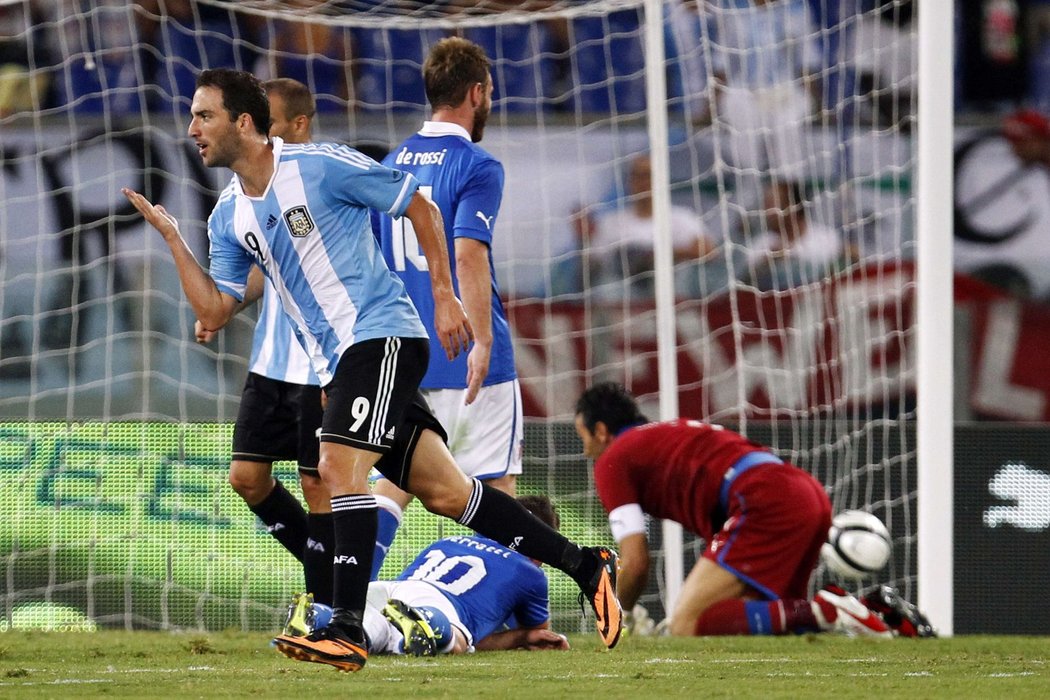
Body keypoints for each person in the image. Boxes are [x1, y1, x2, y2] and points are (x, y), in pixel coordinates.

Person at [122, 67, 621, 673]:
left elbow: (417, 203)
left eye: (204, 115)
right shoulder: (227, 215)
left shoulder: (318, 165)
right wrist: (174, 240)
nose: (192, 128)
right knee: (448, 493)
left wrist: (443, 294)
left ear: (243, 123)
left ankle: (346, 625)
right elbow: (215, 309)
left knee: (336, 467)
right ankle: (586, 566)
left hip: (382, 336)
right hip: (338, 360)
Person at [370, 36, 521, 579]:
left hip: (408, 358)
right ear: (477, 93)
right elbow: (467, 254)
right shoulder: (477, 165)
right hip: (469, 354)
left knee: (394, 485)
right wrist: (481, 340)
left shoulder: (390, 164)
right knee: (496, 489)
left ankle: (350, 601)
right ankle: (510, 615)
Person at [572, 381, 891, 638]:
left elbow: (636, 561)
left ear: (601, 431)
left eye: (583, 438)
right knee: (760, 616)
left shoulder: (614, 459)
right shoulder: (668, 433)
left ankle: (832, 611)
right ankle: (877, 611)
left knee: (686, 623)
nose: (586, 453)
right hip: (803, 491)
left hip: (764, 500)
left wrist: (617, 615)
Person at [193, 77, 332, 610]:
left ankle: (327, 603)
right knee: (247, 478)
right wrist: (226, 307)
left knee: (318, 482)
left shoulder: (318, 179)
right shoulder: (248, 196)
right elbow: (263, 267)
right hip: (272, 358)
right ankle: (335, 575)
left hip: (317, 362)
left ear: (297, 126)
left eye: (270, 124)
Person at [361, 494, 571, 656]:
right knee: (458, 642)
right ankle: (432, 625)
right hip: (438, 606)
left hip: (389, 590)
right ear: (542, 545)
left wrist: (521, 637)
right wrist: (525, 636)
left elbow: (482, 639)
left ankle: (350, 625)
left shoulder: (449, 541)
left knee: (374, 632)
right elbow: (541, 634)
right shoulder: (531, 572)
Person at [579, 152, 713, 300]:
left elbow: (708, 251)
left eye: (648, 175)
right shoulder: (611, 222)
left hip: (672, 298)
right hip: (624, 303)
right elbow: (592, 264)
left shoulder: (682, 218)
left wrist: (661, 256)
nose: (643, 182)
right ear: (629, 181)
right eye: (637, 176)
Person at [743, 179, 844, 291]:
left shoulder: (827, 239)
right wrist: (766, 263)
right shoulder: (760, 246)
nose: (766, 212)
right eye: (765, 205)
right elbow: (747, 285)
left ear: (792, 206)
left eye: (771, 205)